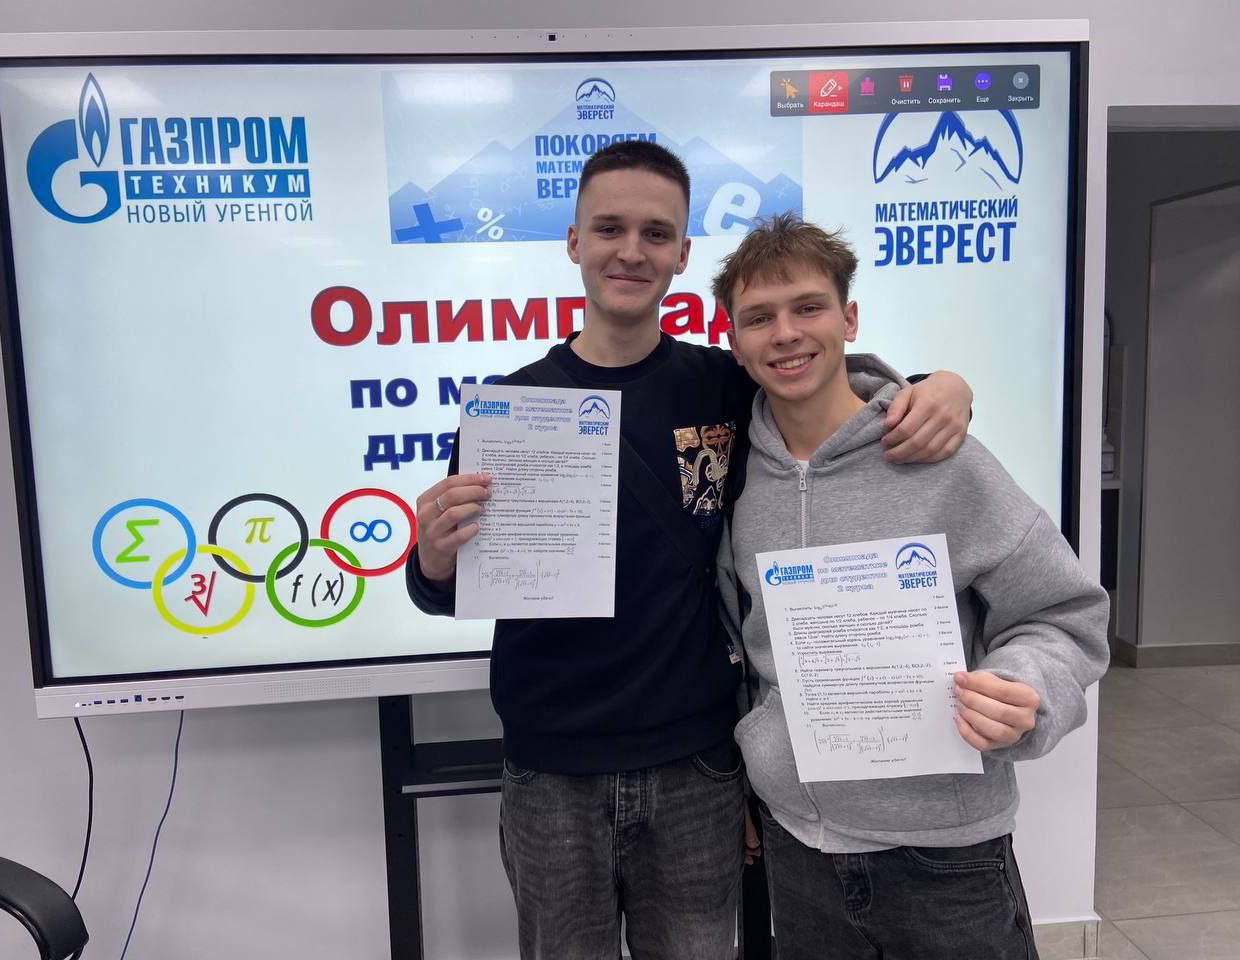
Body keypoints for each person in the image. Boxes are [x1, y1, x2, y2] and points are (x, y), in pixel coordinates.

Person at [405, 143, 973, 960]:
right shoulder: (510, 409)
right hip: (550, 771)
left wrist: (944, 384)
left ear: (681, 253)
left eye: (655, 233)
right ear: (573, 242)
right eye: (609, 228)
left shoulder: (725, 385)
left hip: (696, 768)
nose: (631, 251)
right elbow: (446, 585)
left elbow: (831, 390)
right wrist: (431, 560)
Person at [714, 212, 1109, 960]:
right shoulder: (732, 476)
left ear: (848, 319)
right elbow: (738, 646)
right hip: (797, 849)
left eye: (808, 307)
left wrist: (1024, 684)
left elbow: (1065, 614)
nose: (786, 333)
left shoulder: (942, 457)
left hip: (945, 856)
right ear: (734, 341)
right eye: (759, 317)